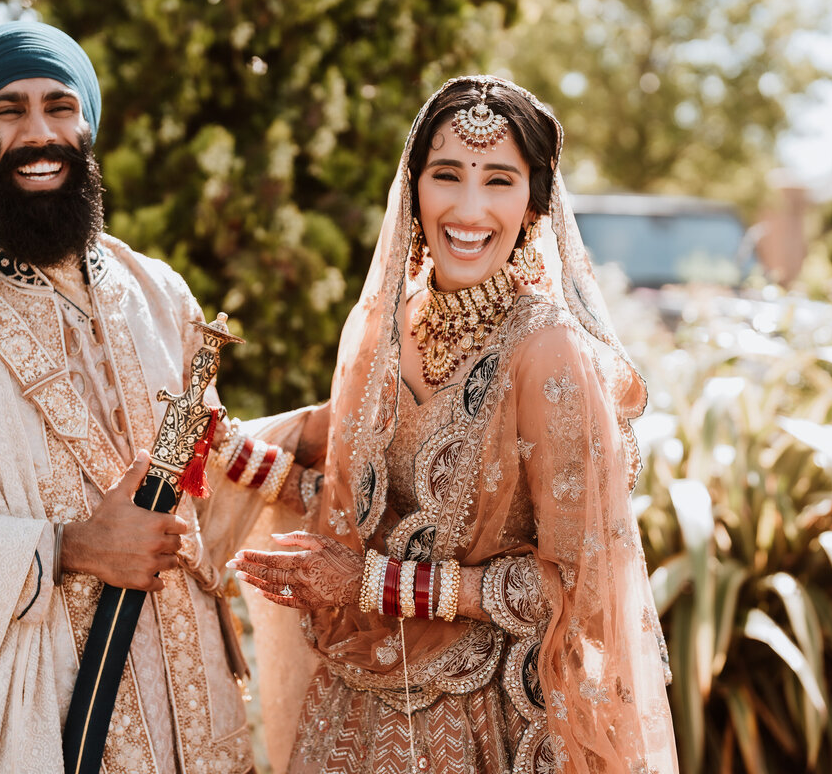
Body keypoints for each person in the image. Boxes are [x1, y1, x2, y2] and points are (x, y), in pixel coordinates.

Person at [0, 22, 267, 774]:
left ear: (88, 126)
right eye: (9, 110)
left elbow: (211, 472)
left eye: (59, 106)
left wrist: (326, 437)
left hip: (200, 721)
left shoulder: (159, 294)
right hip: (48, 728)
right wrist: (68, 547)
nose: (39, 132)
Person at [226, 76, 679, 773]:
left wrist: (371, 584)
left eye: (499, 180)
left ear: (534, 203)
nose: (469, 209)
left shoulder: (546, 351)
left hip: (483, 727)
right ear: (414, 189)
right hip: (351, 717)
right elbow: (361, 508)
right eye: (447, 175)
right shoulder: (381, 326)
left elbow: (577, 588)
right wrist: (238, 460)